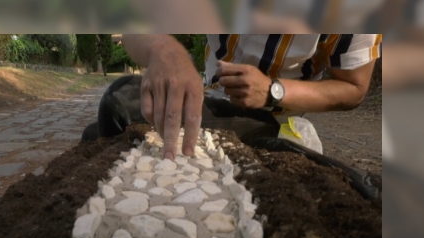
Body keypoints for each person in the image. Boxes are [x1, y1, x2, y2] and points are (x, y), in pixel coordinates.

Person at [83, 34, 381, 161]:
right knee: (102, 125)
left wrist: (273, 90)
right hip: (208, 97)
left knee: (117, 107)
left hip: (274, 116)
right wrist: (164, 50)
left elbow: (354, 88)